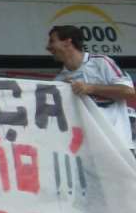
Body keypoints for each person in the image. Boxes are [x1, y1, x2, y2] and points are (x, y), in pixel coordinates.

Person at [47, 25, 135, 153]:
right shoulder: (59, 81)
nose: (48, 47)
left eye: (52, 41)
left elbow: (129, 92)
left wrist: (91, 88)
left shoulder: (101, 62)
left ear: (67, 42)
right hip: (86, 150)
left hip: (118, 146)